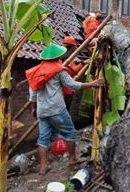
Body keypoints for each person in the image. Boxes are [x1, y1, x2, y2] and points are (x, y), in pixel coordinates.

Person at [26, 43, 104, 175]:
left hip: (42, 111)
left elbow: (32, 94)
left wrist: (33, 108)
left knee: (43, 139)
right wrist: (92, 84)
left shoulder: (35, 72)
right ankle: (73, 158)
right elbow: (72, 85)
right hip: (57, 109)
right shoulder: (58, 71)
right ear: (58, 57)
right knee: (70, 133)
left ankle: (43, 167)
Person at [62, 36, 87, 108]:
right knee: (65, 108)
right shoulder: (67, 57)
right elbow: (74, 70)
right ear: (72, 47)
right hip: (66, 88)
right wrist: (83, 63)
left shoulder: (61, 55)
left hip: (62, 87)